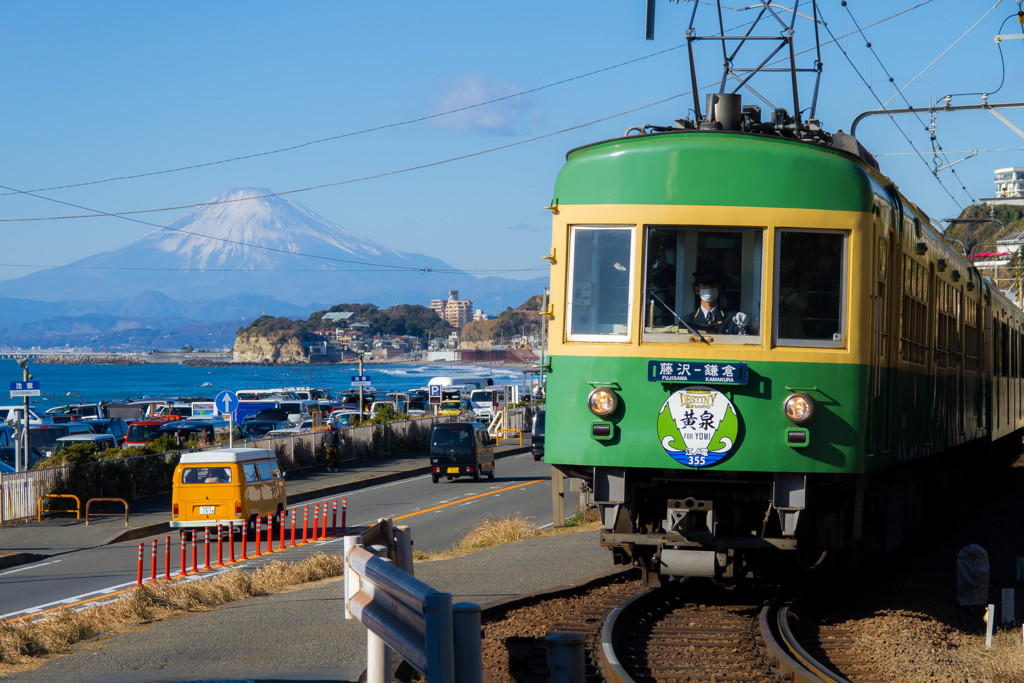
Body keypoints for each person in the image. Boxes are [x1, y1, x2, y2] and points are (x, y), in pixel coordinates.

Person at [681, 271, 749, 335]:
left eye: (712, 285)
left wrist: (743, 328)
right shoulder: (687, 321)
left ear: (719, 288)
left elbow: (746, 342)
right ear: (697, 290)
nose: (709, 288)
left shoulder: (733, 319)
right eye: (704, 285)